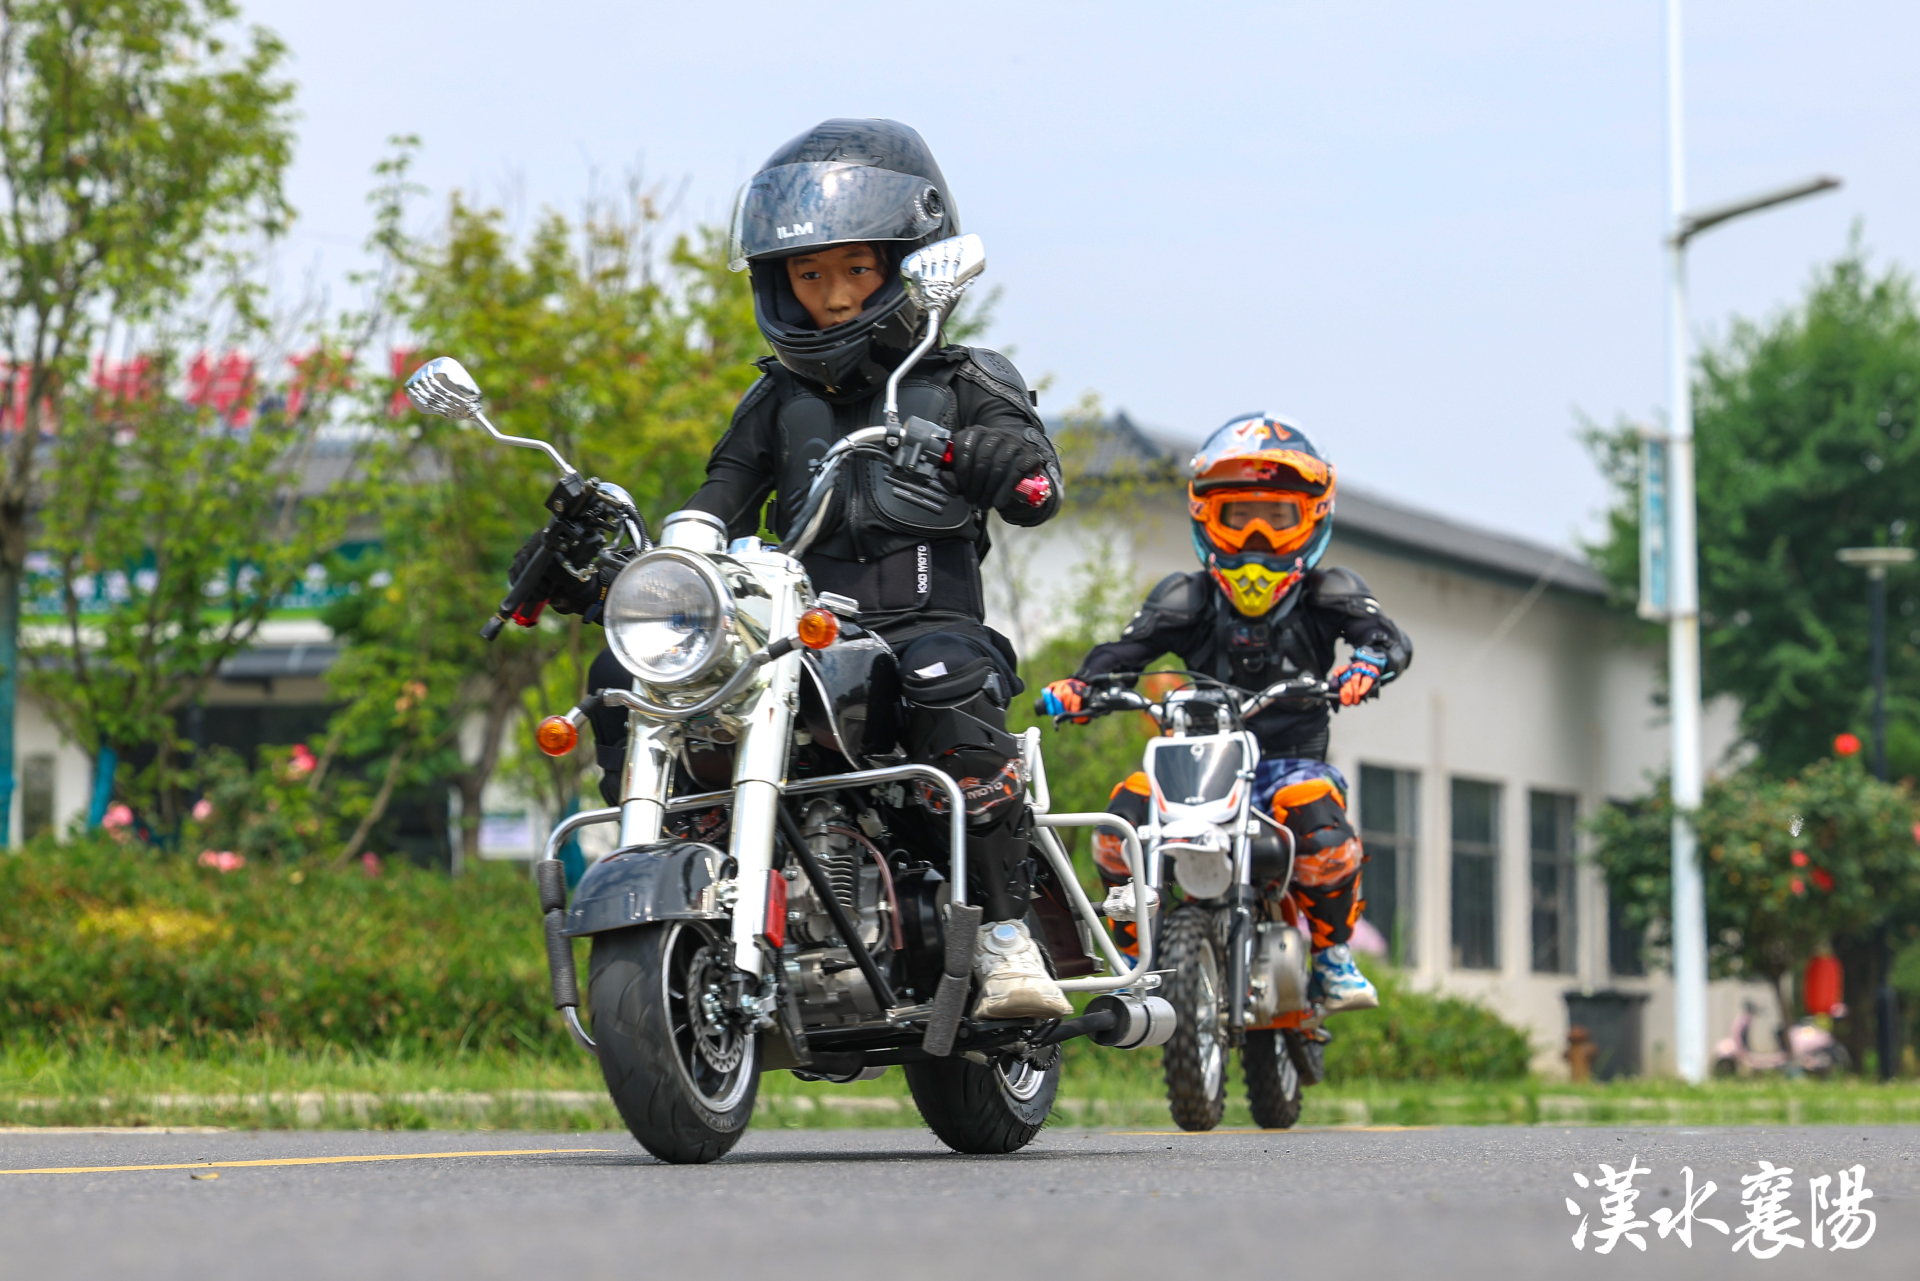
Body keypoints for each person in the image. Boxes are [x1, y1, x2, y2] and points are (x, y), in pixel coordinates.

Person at [582, 119, 1070, 1019]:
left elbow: (1038, 487)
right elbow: (714, 500)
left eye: (858, 270)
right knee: (628, 672)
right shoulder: (777, 399)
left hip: (929, 626)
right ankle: (670, 853)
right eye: (811, 275)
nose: (835, 297)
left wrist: (993, 457)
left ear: (909, 263)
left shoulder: (965, 377)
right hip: (801, 633)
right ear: (779, 282)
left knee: (947, 685)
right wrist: (645, 568)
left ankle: (1006, 939)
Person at [1040, 414, 1411, 1012]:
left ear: (1311, 516)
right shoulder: (1185, 596)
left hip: (1291, 766)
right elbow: (1122, 653)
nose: (1257, 535)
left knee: (1322, 828)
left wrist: (1369, 663)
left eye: (1277, 515)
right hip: (1195, 767)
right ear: (1207, 516)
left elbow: (1386, 638)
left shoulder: (1330, 591)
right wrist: (1082, 686)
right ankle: (1137, 954)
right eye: (1239, 515)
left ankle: (1335, 956)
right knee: (1121, 827)